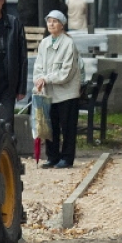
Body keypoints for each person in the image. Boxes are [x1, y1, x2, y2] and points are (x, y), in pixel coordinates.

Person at [33, 10, 82, 168]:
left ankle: (67, 158)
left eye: (55, 21)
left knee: (67, 127)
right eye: (49, 21)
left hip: (66, 93)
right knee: (49, 125)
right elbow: (38, 65)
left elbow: (66, 73)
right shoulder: (45, 43)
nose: (51, 24)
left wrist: (45, 78)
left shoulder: (68, 44)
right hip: (49, 92)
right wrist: (38, 79)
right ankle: (52, 157)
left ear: (62, 25)